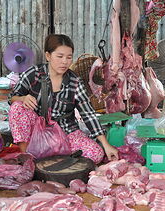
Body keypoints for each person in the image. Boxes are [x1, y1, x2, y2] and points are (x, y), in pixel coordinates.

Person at [8, 34, 118, 163]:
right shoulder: (34, 73)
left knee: (96, 153)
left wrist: (105, 145)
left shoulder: (75, 82)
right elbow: (12, 98)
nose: (65, 62)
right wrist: (22, 98)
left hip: (65, 131)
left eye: (69, 57)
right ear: (48, 56)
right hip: (37, 132)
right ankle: (28, 157)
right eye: (60, 56)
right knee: (17, 108)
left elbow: (88, 115)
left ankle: (53, 154)